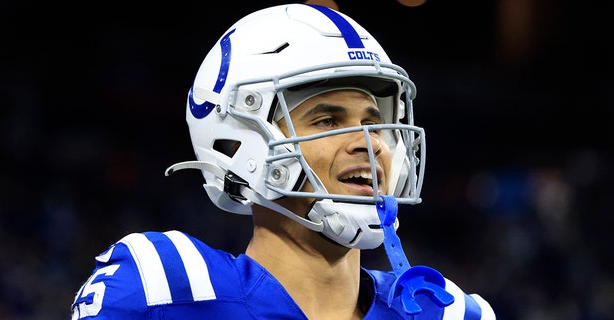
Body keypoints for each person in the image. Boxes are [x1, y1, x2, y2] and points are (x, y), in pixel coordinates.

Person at [70, 3, 495, 319]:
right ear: (241, 144)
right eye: (327, 118)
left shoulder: (446, 311)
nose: (369, 143)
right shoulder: (167, 289)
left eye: (375, 122)